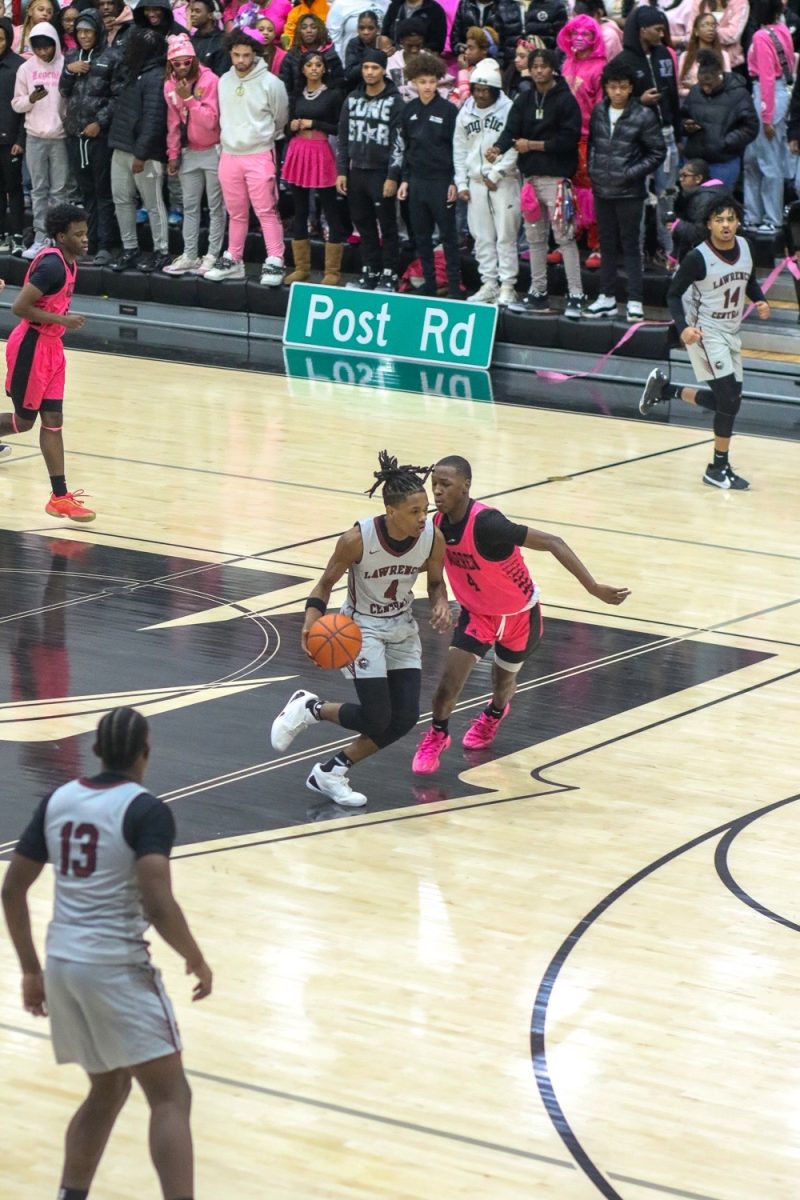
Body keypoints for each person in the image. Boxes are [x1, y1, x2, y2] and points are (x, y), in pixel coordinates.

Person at [1, 706, 213, 1200]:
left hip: (62, 966)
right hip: (115, 966)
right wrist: (195, 956)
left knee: (109, 1087)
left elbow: (11, 891)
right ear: (146, 752)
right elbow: (158, 900)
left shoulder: (58, 799)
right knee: (170, 1096)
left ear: (95, 750)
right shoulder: (145, 810)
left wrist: (31, 971)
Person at [412, 454, 630, 773]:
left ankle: (494, 715)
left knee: (503, 685)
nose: (438, 492)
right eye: (435, 485)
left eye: (445, 484)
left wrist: (593, 588)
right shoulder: (436, 528)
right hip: (477, 616)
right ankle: (437, 735)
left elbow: (554, 542)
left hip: (520, 617)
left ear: (466, 486)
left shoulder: (488, 523)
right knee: (448, 684)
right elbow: (435, 577)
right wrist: (440, 602)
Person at [270, 452, 451, 808]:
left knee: (404, 718)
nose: (422, 518)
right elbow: (324, 584)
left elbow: (434, 584)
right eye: (414, 511)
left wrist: (441, 602)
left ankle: (331, 772)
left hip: (402, 626)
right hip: (360, 628)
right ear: (391, 511)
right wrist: (310, 620)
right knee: (377, 717)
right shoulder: (356, 539)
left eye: (425, 509)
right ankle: (312, 708)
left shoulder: (433, 537)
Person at [639, 196, 770, 490]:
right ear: (709, 224)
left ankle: (665, 390)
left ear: (738, 222)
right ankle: (717, 467)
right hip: (704, 333)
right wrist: (683, 328)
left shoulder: (746, 247)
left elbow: (747, 280)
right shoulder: (697, 258)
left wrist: (759, 299)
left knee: (729, 402)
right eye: (719, 220)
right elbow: (673, 294)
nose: (726, 225)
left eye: (730, 219)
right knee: (728, 400)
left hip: (730, 333)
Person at [0, 204, 95, 521]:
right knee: (23, 422)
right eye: (78, 234)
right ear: (61, 236)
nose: (85, 239)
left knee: (53, 419)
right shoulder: (52, 267)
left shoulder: (68, 262)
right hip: (31, 346)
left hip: (53, 348)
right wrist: (62, 320)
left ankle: (59, 496)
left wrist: (59, 325)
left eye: (85, 232)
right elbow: (19, 307)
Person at [489, 47, 582, 315]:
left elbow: (569, 140)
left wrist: (533, 145)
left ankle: (575, 294)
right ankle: (537, 291)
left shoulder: (566, 101)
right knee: (535, 239)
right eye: (535, 66)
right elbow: (510, 130)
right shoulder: (524, 99)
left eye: (544, 65)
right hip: (530, 180)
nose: (539, 70)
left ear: (553, 68)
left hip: (556, 180)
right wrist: (498, 147)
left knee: (564, 238)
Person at [205, 29, 289, 284]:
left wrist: (260, 138)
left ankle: (275, 259)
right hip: (229, 155)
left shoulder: (271, 83)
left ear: (255, 54)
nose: (241, 60)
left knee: (266, 210)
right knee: (236, 212)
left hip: (259, 154)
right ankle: (234, 258)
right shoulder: (223, 81)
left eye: (246, 55)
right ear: (230, 53)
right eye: (236, 54)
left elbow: (280, 118)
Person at [586, 58, 665, 322]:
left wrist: (629, 173)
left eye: (622, 87)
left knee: (631, 246)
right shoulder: (598, 111)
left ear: (631, 87)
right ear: (606, 87)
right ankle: (606, 298)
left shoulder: (644, 115)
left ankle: (634, 301)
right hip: (602, 189)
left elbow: (657, 153)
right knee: (606, 245)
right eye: (612, 87)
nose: (617, 92)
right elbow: (592, 146)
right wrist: (594, 172)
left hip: (630, 192)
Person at [388, 51, 461, 298]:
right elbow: (406, 149)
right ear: (414, 82)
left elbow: (457, 149)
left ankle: (453, 286)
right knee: (421, 238)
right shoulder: (408, 111)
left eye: (431, 81)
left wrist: (453, 181)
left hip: (441, 181)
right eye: (423, 81)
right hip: (417, 182)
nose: (428, 86)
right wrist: (405, 181)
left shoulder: (449, 111)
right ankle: (429, 285)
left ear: (438, 81)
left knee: (449, 238)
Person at [336, 46, 404, 290]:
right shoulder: (351, 99)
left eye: (374, 67)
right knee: (363, 223)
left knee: (387, 224)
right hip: (357, 172)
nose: (369, 72)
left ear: (384, 70)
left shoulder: (395, 101)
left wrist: (392, 176)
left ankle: (390, 272)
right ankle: (370, 269)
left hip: (381, 172)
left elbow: (399, 142)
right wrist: (342, 171)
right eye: (365, 67)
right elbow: (343, 139)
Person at [617, 6, 680, 264]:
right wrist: (638, 101)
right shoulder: (623, 62)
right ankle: (636, 253)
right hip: (637, 140)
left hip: (666, 135)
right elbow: (613, 103)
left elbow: (673, 93)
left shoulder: (665, 54)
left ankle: (670, 251)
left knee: (669, 195)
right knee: (637, 198)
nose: (662, 33)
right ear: (642, 30)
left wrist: (678, 126)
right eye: (657, 29)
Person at [454, 57, 519, 305]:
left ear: (495, 90)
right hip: (475, 182)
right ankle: (489, 283)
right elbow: (459, 149)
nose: (480, 95)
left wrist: (497, 173)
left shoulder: (509, 108)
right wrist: (461, 182)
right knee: (481, 237)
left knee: (505, 236)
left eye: (485, 90)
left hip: (503, 181)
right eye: (477, 90)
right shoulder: (465, 111)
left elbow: (513, 144)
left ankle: (508, 286)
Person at [108, 27, 170, 273]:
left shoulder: (156, 77)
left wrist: (142, 154)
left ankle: (161, 251)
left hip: (145, 155)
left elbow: (154, 120)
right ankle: (130, 248)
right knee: (121, 200)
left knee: (153, 203)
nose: (128, 49)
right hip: (121, 147)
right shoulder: (134, 73)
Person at [163, 32, 225, 276]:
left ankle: (212, 254)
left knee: (215, 206)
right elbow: (172, 122)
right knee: (190, 206)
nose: (181, 68)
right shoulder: (169, 83)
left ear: (194, 60)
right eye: (176, 64)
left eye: (186, 62)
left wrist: (188, 98)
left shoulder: (210, 81)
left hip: (213, 149)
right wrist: (173, 154)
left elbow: (211, 121)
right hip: (189, 152)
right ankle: (190, 254)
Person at [59, 7, 117, 267]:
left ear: (98, 32)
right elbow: (62, 90)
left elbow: (118, 97)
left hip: (99, 136)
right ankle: (88, 243)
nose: (83, 35)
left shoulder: (112, 56)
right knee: (86, 193)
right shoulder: (70, 56)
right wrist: (69, 71)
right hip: (75, 135)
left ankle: (105, 245)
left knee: (103, 192)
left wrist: (99, 123)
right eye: (80, 31)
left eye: (88, 31)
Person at [282, 48, 345, 285]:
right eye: (309, 65)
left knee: (329, 208)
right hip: (298, 150)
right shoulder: (296, 95)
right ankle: (302, 268)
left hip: (320, 150)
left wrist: (314, 123)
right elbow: (286, 128)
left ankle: (332, 272)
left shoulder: (334, 94)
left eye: (319, 64)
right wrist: (293, 126)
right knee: (300, 209)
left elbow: (339, 127)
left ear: (325, 68)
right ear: (303, 69)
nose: (314, 68)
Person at [11, 20, 68, 260]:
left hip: (61, 137)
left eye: (47, 47)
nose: (44, 52)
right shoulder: (25, 69)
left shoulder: (66, 64)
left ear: (55, 44)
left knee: (60, 190)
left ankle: (57, 238)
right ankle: (39, 237)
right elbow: (17, 103)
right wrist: (32, 99)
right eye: (38, 48)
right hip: (34, 137)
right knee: (38, 190)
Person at [743, 0, 794, 234]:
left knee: (768, 161)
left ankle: (772, 219)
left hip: (766, 95)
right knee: (752, 159)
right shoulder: (783, 31)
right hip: (779, 92)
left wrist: (766, 115)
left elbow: (765, 76)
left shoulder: (761, 37)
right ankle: (753, 215)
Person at [680, 51, 757, 190]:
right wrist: (686, 126)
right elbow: (682, 117)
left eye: (709, 83)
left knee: (718, 204)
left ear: (719, 76)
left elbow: (751, 127)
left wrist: (726, 141)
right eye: (702, 83)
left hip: (723, 162)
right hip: (695, 161)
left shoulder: (738, 94)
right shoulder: (695, 92)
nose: (705, 88)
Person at [0, 15, 25, 256]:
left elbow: (23, 109)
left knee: (14, 188)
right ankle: (1, 233)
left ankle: (17, 234)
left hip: (11, 140)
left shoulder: (18, 66)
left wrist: (20, 139)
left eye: (0, 39)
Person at [670, 156, 727, 261]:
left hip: (714, 256)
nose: (680, 179)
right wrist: (674, 255)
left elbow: (701, 234)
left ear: (698, 178)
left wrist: (676, 225)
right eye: (680, 175)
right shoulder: (696, 194)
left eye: (685, 176)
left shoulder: (705, 198)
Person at [677, 11, 729, 95]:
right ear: (696, 31)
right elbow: (679, 88)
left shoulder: (723, 55)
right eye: (705, 25)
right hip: (693, 103)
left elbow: (728, 85)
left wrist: (696, 87)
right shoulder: (685, 56)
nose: (710, 28)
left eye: (713, 25)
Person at [380, 0, 446, 53]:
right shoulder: (395, 5)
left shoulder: (435, 9)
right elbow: (385, 34)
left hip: (423, 57)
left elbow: (438, 43)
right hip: (395, 55)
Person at [189, 0, 229, 74]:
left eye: (197, 11)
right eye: (192, 11)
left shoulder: (223, 42)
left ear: (211, 15)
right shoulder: (191, 41)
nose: (192, 14)